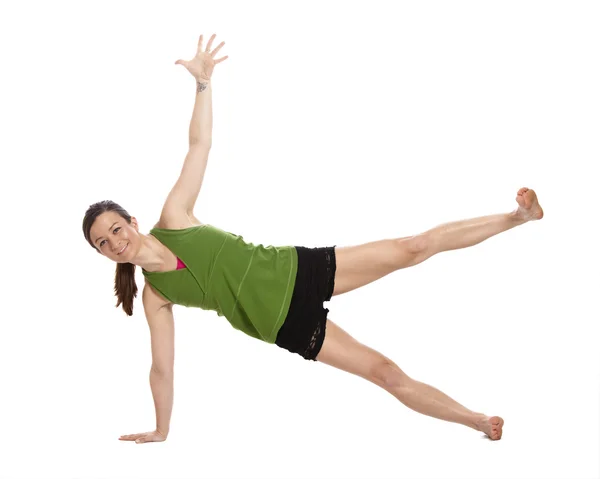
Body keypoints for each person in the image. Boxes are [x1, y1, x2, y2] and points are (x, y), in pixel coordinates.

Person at [83, 33, 543, 444]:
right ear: (103, 254)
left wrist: (203, 85)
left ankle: (516, 217)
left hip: (294, 269)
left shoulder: (175, 216)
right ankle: (478, 422)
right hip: (285, 325)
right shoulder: (155, 296)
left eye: (114, 229)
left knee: (413, 248)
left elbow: (199, 145)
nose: (114, 242)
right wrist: (162, 428)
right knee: (385, 374)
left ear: (132, 222)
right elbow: (162, 368)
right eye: (103, 243)